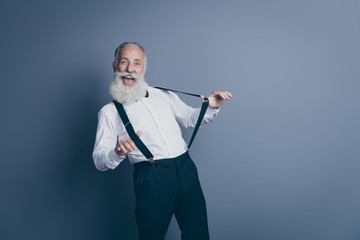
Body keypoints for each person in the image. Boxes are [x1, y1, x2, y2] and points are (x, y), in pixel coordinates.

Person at [93, 42, 232, 240]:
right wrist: (117, 152)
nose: (130, 69)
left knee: (198, 233)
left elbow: (191, 119)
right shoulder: (109, 112)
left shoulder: (163, 95)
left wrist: (212, 107)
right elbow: (99, 160)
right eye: (124, 62)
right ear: (115, 67)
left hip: (186, 169)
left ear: (144, 69)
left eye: (137, 63)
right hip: (152, 177)